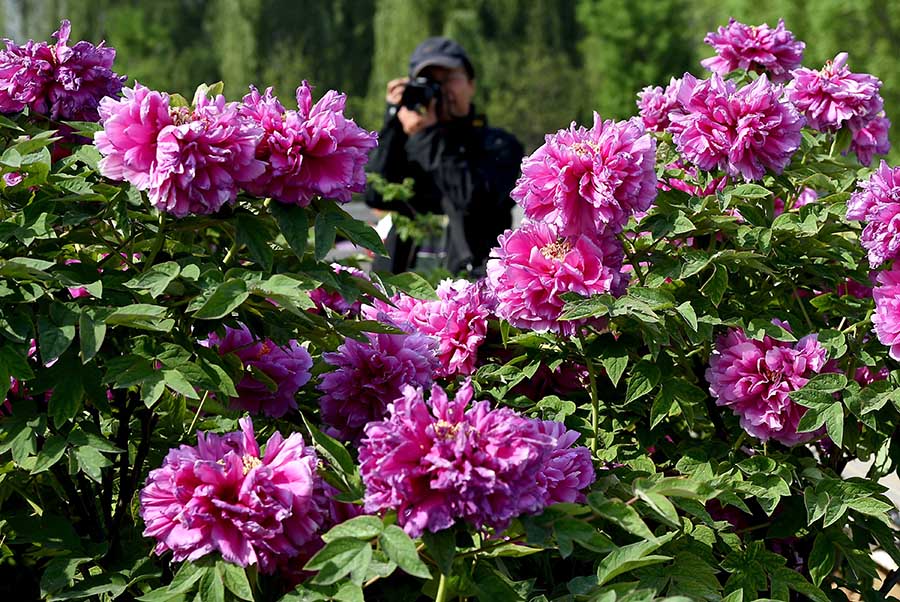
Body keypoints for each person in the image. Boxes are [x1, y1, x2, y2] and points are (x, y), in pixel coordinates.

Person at [364, 37, 524, 276]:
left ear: (471, 84)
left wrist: (427, 135)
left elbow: (472, 197)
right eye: (431, 82)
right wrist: (392, 124)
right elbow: (375, 193)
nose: (440, 90)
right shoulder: (409, 140)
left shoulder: (499, 145)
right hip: (402, 289)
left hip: (469, 292)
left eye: (448, 79)